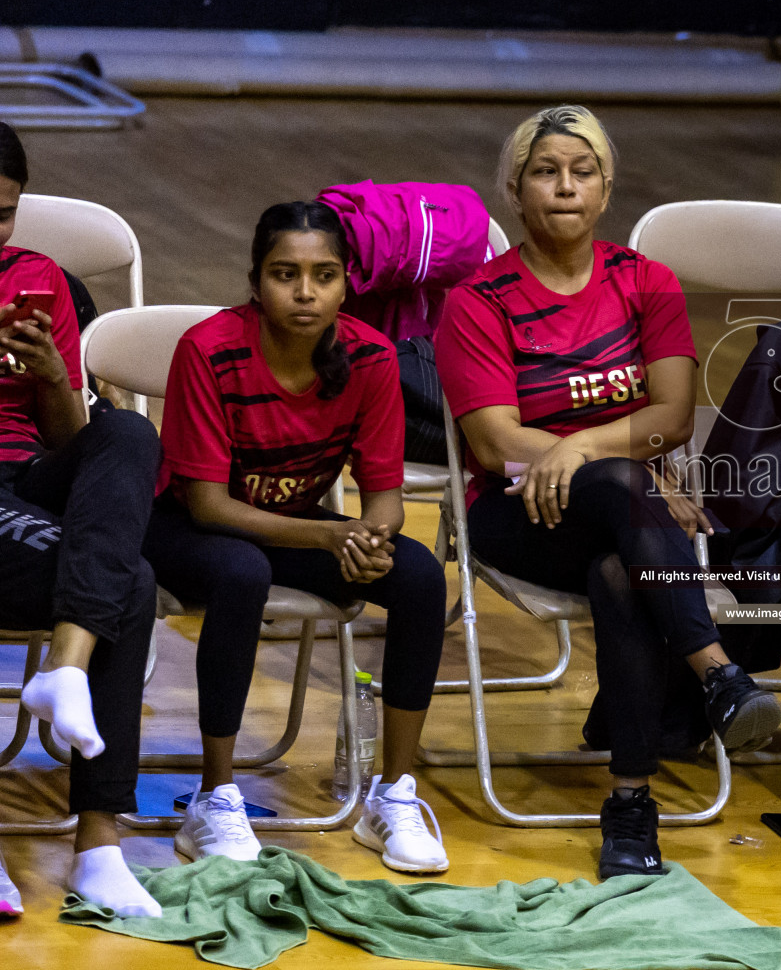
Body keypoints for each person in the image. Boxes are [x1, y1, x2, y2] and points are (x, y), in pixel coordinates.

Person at [434, 104, 781, 880]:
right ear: (514, 192)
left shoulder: (646, 282)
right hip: (520, 513)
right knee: (627, 486)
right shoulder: (479, 300)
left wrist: (588, 447)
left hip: (628, 517)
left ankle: (630, 805)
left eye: (581, 172)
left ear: (606, 187)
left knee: (622, 576)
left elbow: (672, 416)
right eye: (545, 173)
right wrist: (606, 464)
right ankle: (717, 674)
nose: (565, 187)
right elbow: (493, 442)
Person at [142, 201, 450, 873]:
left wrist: (371, 536)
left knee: (422, 575)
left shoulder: (369, 356)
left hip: (292, 529)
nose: (305, 292)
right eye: (286, 274)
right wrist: (327, 539)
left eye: (324, 275)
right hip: (184, 527)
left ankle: (392, 795)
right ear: (256, 281)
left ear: (347, 283)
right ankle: (215, 799)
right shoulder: (210, 349)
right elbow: (208, 505)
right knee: (241, 573)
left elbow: (387, 500)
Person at [0, 120, 162, 917]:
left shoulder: (40, 279)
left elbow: (68, 440)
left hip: (28, 476)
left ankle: (65, 668)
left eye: (1, 213)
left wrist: (58, 378)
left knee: (128, 430)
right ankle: (98, 845)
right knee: (130, 583)